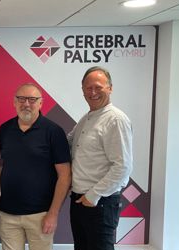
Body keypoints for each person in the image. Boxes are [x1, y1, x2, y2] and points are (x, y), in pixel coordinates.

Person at [0, 84, 71, 250]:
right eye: (21, 99)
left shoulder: (53, 131)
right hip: (8, 215)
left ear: (41, 103)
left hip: (41, 215)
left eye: (32, 99)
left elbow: (65, 176)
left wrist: (53, 213)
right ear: (14, 102)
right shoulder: (5, 130)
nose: (26, 103)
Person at [69, 66, 133, 250]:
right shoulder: (87, 118)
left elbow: (123, 167)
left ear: (110, 88)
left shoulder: (116, 120)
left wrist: (93, 196)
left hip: (100, 203)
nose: (93, 92)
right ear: (82, 91)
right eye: (88, 88)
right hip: (79, 201)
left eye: (98, 87)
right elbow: (68, 143)